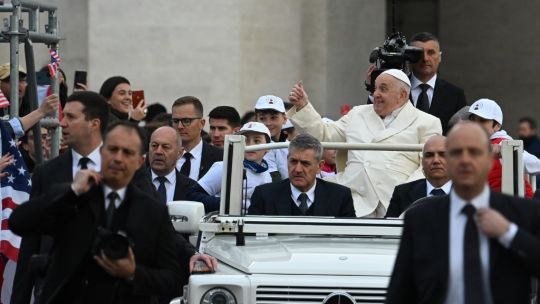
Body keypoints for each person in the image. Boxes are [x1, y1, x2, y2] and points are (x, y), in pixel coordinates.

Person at [9, 121, 217, 303]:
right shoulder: (75, 197)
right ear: (101, 153)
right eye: (112, 149)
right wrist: (71, 191)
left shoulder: (152, 210)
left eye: (127, 152)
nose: (118, 158)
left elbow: (171, 279)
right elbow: (19, 223)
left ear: (139, 162)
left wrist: (133, 273)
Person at [386, 121, 540, 304]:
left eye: (474, 152)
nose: (465, 160)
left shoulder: (521, 212)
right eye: (457, 152)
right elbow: (400, 292)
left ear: (489, 160)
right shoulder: (419, 218)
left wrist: (508, 233)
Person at [288, 69, 442, 217]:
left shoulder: (427, 122)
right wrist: (303, 106)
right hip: (355, 196)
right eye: (375, 89)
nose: (376, 94)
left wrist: (405, 193)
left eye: (383, 89)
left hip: (396, 201)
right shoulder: (358, 113)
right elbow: (326, 134)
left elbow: (426, 167)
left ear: (402, 95)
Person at [366, 32, 466, 134]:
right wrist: (373, 90)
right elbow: (374, 120)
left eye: (431, 52)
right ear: (409, 56)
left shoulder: (455, 95)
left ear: (439, 57)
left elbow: (461, 132)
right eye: (419, 53)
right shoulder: (394, 89)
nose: (425, 59)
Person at [248, 133, 355, 217]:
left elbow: (349, 240)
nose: (298, 169)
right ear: (287, 160)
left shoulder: (340, 196)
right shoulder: (264, 195)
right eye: (293, 162)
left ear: (319, 166)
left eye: (305, 163)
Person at [187, 122, 272, 213]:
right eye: (245, 141)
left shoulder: (267, 175)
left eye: (257, 141)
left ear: (268, 147)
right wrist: (226, 204)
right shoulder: (224, 167)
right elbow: (192, 195)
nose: (250, 145)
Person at [468, 98, 536, 198]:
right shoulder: (471, 144)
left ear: (497, 126)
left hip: (516, 207)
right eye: (473, 119)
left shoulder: (504, 142)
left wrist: (505, 151)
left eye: (482, 120)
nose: (476, 124)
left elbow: (536, 164)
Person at [385, 135, 451, 217]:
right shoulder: (402, 193)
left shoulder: (468, 194)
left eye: (443, 154)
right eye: (429, 155)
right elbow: (388, 228)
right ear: (422, 162)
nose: (436, 160)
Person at [0, 63, 59, 139]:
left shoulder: (31, 107)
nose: (17, 84)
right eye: (11, 80)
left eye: (22, 80)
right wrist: (41, 112)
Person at [172, 96, 223, 180]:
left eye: (186, 121)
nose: (180, 126)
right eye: (176, 121)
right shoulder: (162, 155)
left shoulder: (220, 158)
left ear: (202, 123)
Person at [148, 126, 196, 203]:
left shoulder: (192, 188)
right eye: (154, 146)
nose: (158, 151)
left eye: (165, 147)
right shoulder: (133, 183)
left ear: (179, 153)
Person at [255, 95, 289, 180]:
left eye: (273, 118)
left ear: (284, 119)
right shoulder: (254, 147)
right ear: (256, 120)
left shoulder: (292, 146)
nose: (268, 123)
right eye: (262, 118)